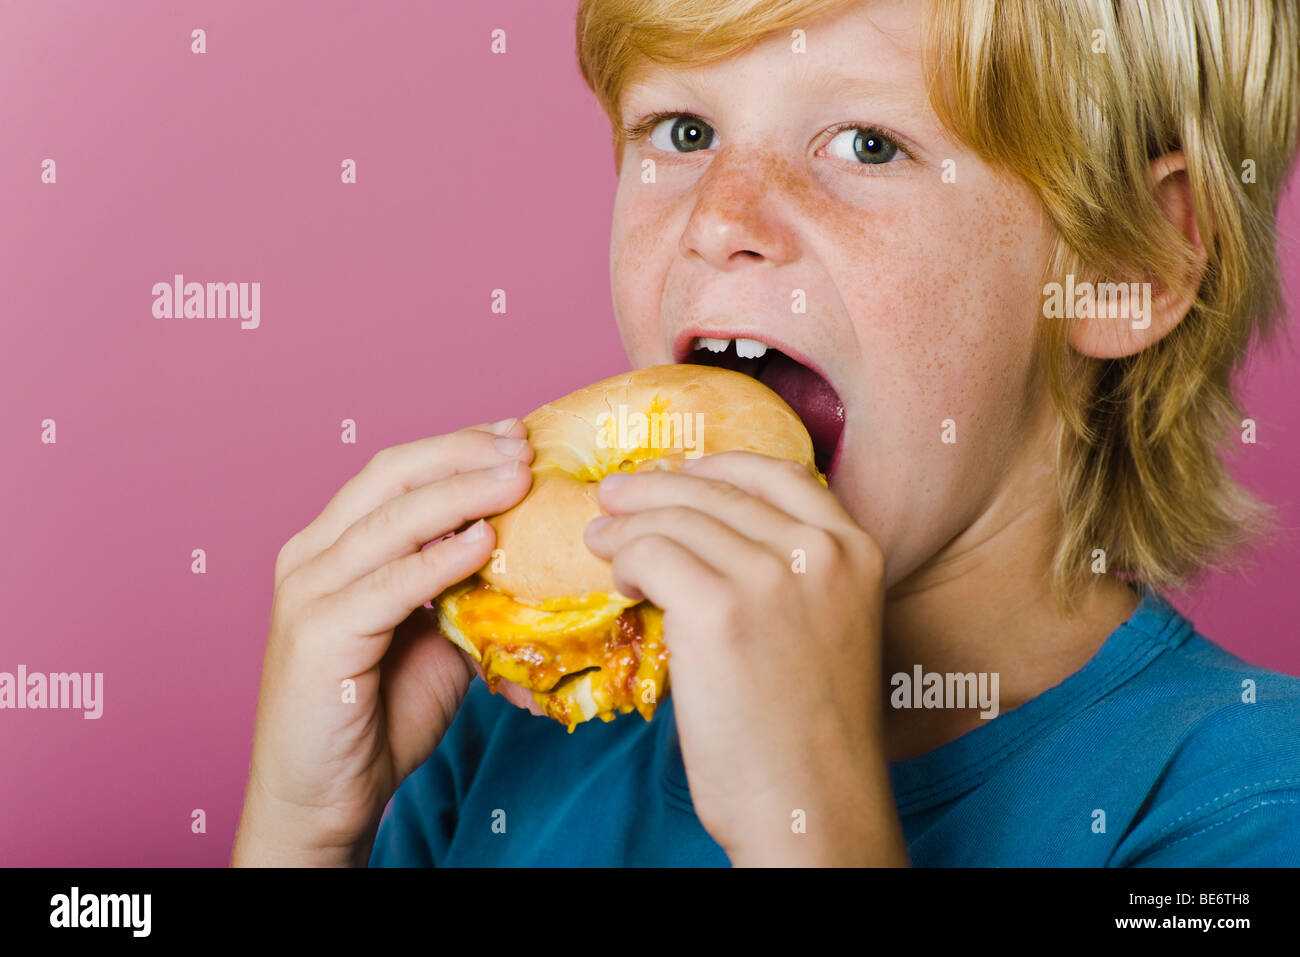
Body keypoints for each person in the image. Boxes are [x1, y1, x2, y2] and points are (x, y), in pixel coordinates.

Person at [232, 0, 1300, 866]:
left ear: (1127, 266)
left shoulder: (1241, 797)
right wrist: (300, 830)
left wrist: (812, 825)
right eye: (684, 133)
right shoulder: (510, 728)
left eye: (866, 144)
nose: (720, 219)